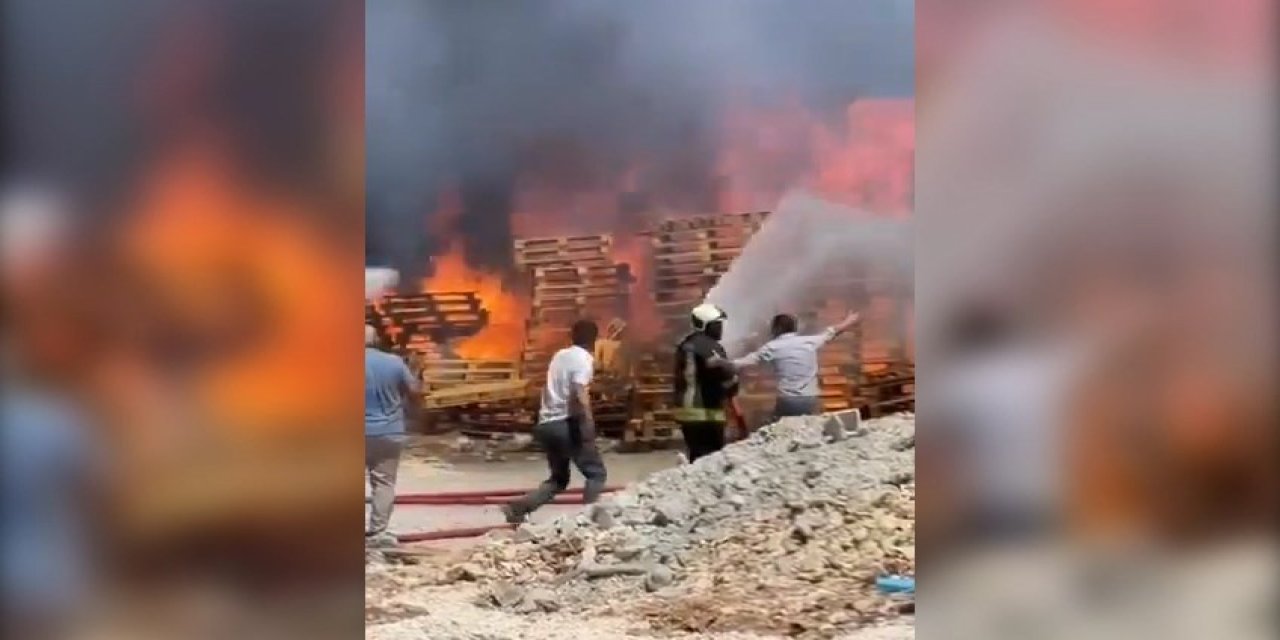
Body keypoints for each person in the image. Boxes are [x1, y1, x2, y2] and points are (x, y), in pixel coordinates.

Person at [503, 319, 607, 523]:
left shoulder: (560, 356)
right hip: (566, 424)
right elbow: (579, 391)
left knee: (559, 479)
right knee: (596, 474)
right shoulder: (585, 359)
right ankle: (588, 522)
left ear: (572, 336)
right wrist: (588, 421)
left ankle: (518, 508)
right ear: (595, 339)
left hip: (546, 425)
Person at [730, 310, 860, 420]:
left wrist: (722, 363)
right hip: (811, 398)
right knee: (812, 430)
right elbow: (832, 332)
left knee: (781, 431)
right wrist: (849, 321)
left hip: (788, 400)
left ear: (776, 329)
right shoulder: (809, 342)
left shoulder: (772, 347)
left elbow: (745, 362)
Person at [364, 324, 419, 547]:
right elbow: (415, 392)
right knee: (384, 483)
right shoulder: (394, 363)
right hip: (389, 432)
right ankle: (377, 533)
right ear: (376, 340)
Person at [672, 303, 740, 462]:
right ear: (706, 325)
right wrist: (733, 382)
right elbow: (722, 372)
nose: (721, 329)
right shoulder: (709, 347)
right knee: (712, 458)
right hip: (705, 412)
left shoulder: (685, 344)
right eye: (717, 325)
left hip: (686, 411)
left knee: (697, 455)